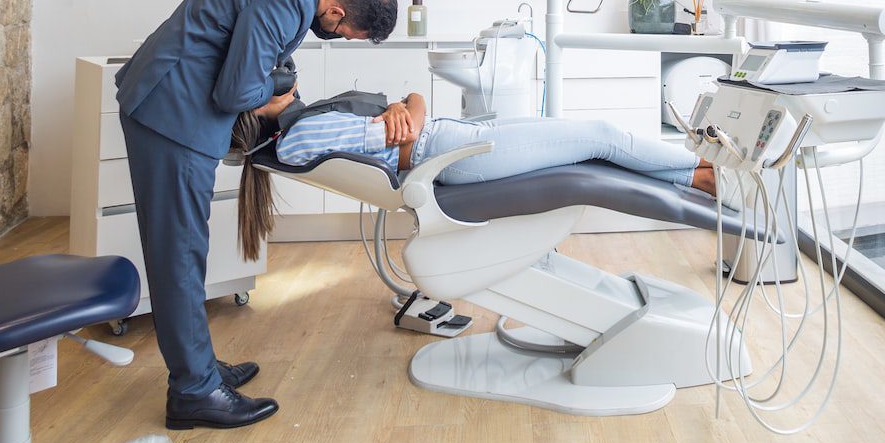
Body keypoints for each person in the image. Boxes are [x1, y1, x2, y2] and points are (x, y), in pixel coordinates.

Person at [114, 0, 398, 430]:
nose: (338, 36)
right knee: (179, 255)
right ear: (336, 12)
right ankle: (194, 392)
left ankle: (198, 368)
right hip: (172, 117)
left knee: (187, 252)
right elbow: (235, 92)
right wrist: (274, 98)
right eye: (346, 33)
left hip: (170, 103)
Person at [228, 92, 720, 254]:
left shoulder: (302, 122)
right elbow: (403, 129)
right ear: (255, 106)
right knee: (598, 135)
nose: (282, 75)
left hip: (449, 137)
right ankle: (704, 173)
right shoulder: (300, 138)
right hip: (451, 154)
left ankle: (694, 175)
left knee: (587, 140)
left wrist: (407, 105)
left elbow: (411, 105)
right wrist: (407, 107)